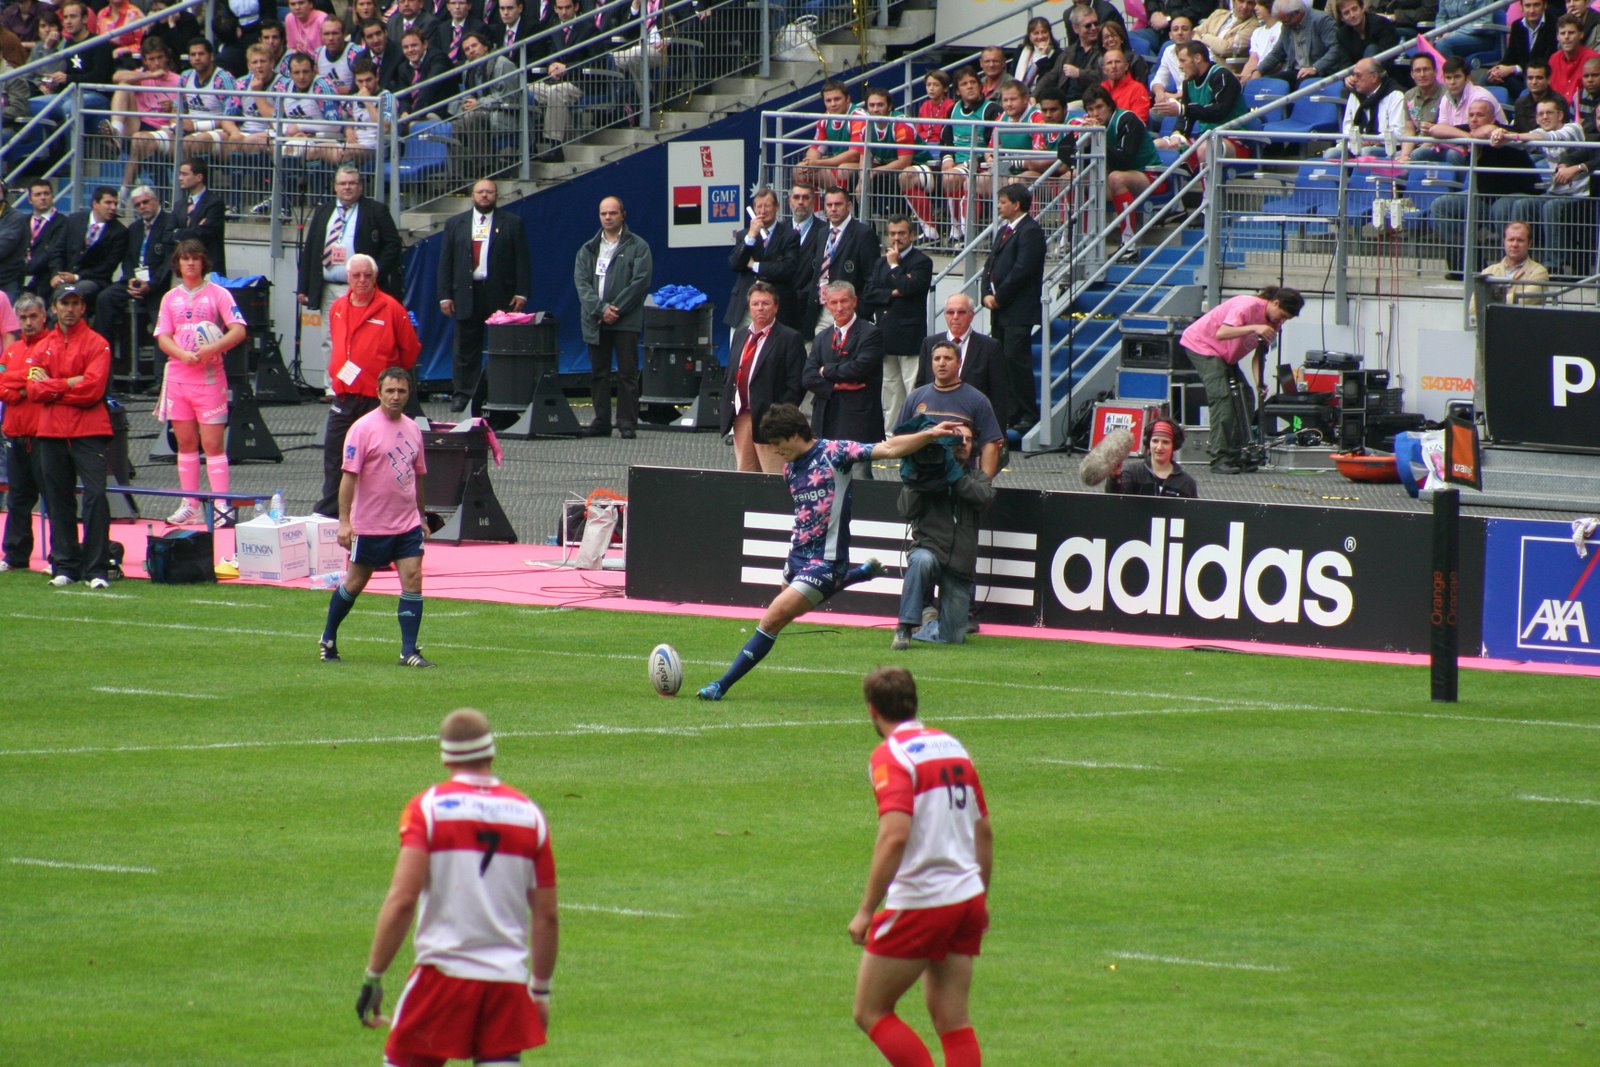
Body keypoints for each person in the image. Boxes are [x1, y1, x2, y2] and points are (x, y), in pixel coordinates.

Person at [694, 404, 962, 702]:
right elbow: (805, 516)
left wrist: (930, 434)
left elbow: (888, 449)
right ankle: (856, 575)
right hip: (796, 557)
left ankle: (720, 685)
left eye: (778, 443)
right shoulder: (789, 469)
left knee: (771, 621)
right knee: (788, 613)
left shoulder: (835, 453)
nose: (775, 450)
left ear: (794, 435)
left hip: (825, 562)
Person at [357, 706, 558, 1066]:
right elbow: (547, 916)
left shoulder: (427, 809)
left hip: (442, 980)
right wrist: (540, 992)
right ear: (491, 752)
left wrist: (374, 975)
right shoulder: (530, 816)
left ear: (445, 757)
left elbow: (403, 901)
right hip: (506, 986)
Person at [849, 665, 991, 1067]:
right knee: (953, 1020)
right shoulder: (952, 746)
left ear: (872, 710)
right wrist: (980, 897)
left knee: (871, 1010)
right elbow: (984, 833)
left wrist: (866, 910)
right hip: (966, 897)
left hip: (924, 900)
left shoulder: (890, 756)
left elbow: (895, 836)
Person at [320, 366, 434, 667]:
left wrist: (421, 516)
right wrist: (345, 522)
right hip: (370, 524)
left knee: (413, 577)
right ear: (379, 393)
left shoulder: (413, 429)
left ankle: (408, 651)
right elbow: (348, 478)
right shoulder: (362, 429)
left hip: (406, 523)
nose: (396, 396)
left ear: (409, 394)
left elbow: (418, 476)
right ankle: (328, 638)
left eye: (401, 391)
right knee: (355, 583)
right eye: (390, 391)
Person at [314, 254, 421, 518]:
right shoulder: (338, 307)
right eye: (356, 275)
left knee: (377, 461)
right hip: (345, 395)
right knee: (335, 456)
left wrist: (389, 382)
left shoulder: (392, 308)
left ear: (375, 278)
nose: (362, 280)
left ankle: (376, 515)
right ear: (347, 277)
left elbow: (409, 352)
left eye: (367, 275)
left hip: (377, 399)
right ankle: (331, 515)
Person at [154, 239, 248, 526]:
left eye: (195, 258)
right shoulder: (170, 297)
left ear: (203, 262)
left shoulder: (218, 294)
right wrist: (182, 354)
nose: (191, 263)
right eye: (185, 259)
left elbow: (238, 329)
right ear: (178, 263)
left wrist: (212, 349)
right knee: (185, 442)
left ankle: (221, 504)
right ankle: (191, 503)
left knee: (213, 443)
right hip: (179, 378)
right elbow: (162, 336)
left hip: (209, 379)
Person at [30, 285, 115, 588]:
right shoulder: (42, 347)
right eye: (64, 303)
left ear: (83, 307)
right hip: (51, 431)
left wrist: (52, 386)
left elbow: (92, 390)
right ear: (54, 308)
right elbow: (33, 390)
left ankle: (96, 570)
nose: (69, 309)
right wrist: (68, 383)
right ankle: (65, 566)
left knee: (96, 496)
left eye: (75, 303)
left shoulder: (97, 344)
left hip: (89, 430)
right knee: (57, 499)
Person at [890, 414, 996, 650]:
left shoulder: (977, 477)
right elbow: (906, 511)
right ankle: (905, 627)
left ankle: (928, 624)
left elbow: (984, 498)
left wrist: (954, 476)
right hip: (930, 549)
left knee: (953, 638)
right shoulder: (925, 473)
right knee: (920, 561)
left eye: (968, 440)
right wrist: (917, 480)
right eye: (957, 439)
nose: (963, 444)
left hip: (960, 565)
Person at [297, 164, 404, 393]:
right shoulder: (323, 211)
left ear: (361, 186)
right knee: (330, 338)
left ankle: (360, 386)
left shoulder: (376, 210)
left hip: (361, 289)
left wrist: (374, 272)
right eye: (343, 183)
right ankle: (333, 387)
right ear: (335, 187)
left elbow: (393, 245)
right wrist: (303, 286)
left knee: (360, 340)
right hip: (328, 287)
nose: (347, 187)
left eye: (352, 183)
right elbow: (310, 249)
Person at [1179, 284, 1303, 474]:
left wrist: (1259, 383)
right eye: (1283, 315)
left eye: (1287, 319)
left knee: (1246, 396)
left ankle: (1238, 453)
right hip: (1202, 345)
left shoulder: (1273, 324)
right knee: (1223, 399)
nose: (1282, 321)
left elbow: (1258, 356)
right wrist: (1255, 327)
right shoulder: (1247, 305)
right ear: (1275, 303)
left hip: (1225, 356)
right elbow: (1222, 333)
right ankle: (1220, 457)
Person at [437, 178, 531, 413]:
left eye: (489, 191)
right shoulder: (455, 224)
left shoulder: (512, 222)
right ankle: (464, 395)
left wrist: (521, 292)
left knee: (502, 345)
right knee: (465, 348)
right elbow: (446, 261)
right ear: (472, 195)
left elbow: (522, 260)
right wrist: (445, 295)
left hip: (500, 292)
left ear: (496, 195)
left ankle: (501, 392)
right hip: (466, 292)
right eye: (480, 191)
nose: (485, 195)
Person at [574, 195, 653, 440]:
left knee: (627, 372)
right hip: (595, 319)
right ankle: (601, 421)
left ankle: (627, 422)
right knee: (599, 373)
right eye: (603, 213)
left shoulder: (638, 246)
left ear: (622, 215)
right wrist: (600, 310)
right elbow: (582, 284)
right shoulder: (588, 248)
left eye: (612, 213)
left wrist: (615, 309)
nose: (608, 217)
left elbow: (640, 282)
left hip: (625, 320)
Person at [1491, 96, 1594, 276]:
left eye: (1549, 113)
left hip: (1579, 195)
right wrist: (1500, 135)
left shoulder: (1573, 129)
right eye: (1541, 114)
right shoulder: (1538, 132)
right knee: (1522, 204)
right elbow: (1519, 143)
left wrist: (1510, 136)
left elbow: (1548, 137)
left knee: (1550, 207)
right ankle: (1523, 262)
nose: (1545, 117)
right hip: (1555, 193)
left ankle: (1553, 266)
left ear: (1560, 115)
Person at [719, 281, 806, 474]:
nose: (760, 308)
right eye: (755, 303)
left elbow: (796, 384)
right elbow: (731, 374)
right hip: (742, 417)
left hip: (771, 419)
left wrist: (781, 417)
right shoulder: (740, 335)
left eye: (766, 303)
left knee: (774, 476)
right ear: (749, 307)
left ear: (776, 307)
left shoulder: (789, 338)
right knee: (745, 475)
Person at [981, 183, 1046, 433]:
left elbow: (1022, 270)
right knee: (1001, 361)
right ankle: (1009, 412)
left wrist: (999, 297)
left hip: (1018, 310)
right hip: (1000, 311)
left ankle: (1027, 413)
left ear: (1016, 205)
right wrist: (986, 293)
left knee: (1016, 360)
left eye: (1003, 202)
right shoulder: (1004, 230)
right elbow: (990, 264)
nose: (998, 206)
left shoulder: (1031, 232)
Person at [863, 215, 933, 435]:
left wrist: (894, 267)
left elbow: (911, 288)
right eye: (892, 233)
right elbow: (869, 293)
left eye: (901, 233)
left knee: (913, 387)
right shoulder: (879, 262)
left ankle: (915, 434)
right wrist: (893, 293)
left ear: (911, 235)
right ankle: (891, 434)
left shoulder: (922, 261)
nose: (896, 238)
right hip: (885, 335)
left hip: (910, 337)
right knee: (890, 389)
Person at [805, 279, 886, 466]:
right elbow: (808, 377)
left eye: (844, 301)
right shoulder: (821, 337)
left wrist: (825, 370)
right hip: (825, 420)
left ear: (854, 301)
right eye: (834, 302)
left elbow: (858, 369)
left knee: (859, 476)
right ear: (827, 305)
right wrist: (834, 386)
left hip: (858, 421)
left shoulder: (871, 333)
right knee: (824, 476)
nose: (839, 308)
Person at [1078, 84, 1162, 254]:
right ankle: (1083, 240)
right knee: (1075, 178)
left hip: (1150, 175)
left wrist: (1099, 137)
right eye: (1090, 109)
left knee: (1116, 178)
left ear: (1110, 105)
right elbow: (1082, 165)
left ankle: (1129, 243)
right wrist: (1085, 142)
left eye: (1099, 107)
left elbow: (1124, 160)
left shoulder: (1127, 119)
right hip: (1116, 176)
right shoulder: (1092, 127)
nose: (1095, 114)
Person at [914, 295, 1008, 445]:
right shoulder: (929, 343)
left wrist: (997, 436)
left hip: (974, 430)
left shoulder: (990, 347)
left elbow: (999, 396)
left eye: (961, 312)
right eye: (950, 312)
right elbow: (921, 386)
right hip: (934, 429)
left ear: (972, 315)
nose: (955, 317)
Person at [98, 186, 175, 369]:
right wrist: (131, 279)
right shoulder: (134, 228)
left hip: (158, 286)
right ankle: (103, 360)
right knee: (105, 298)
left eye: (145, 202)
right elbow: (128, 260)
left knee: (161, 319)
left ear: (156, 201)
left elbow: (169, 262)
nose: (142, 207)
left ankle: (160, 376)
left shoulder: (169, 223)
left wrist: (151, 285)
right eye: (137, 205)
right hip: (134, 282)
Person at [0, 293, 46, 573]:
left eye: (33, 316)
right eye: (24, 317)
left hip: (43, 434)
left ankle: (61, 556)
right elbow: (2, 380)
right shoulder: (11, 350)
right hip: (15, 432)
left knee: (54, 498)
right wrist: (20, 386)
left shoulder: (51, 346)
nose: (28, 322)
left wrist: (14, 385)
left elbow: (42, 385)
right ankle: (15, 555)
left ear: (43, 317)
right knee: (17, 497)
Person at [805, 187, 880, 336]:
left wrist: (860, 311)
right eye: (829, 205)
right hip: (821, 310)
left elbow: (872, 278)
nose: (833, 209)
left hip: (848, 310)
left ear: (849, 206)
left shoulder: (863, 234)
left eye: (838, 204)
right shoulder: (822, 233)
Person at [938, 66, 1001, 247]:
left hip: (981, 163)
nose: (970, 86)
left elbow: (993, 146)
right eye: (964, 84)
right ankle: (954, 231)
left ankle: (968, 235)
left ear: (980, 86)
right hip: (957, 164)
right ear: (958, 91)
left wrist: (965, 163)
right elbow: (946, 141)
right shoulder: (952, 110)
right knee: (943, 175)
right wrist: (948, 159)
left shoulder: (991, 110)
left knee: (953, 177)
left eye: (973, 82)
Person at [724, 186, 798, 339]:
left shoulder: (789, 235)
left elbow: (787, 269)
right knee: (740, 349)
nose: (762, 211)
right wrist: (751, 236)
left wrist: (755, 265)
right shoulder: (744, 235)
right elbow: (734, 264)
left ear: (777, 207)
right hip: (745, 307)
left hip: (776, 306)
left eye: (767, 206)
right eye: (759, 206)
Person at [48, 187, 128, 321]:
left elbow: (108, 267)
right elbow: (58, 250)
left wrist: (76, 277)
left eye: (115, 203)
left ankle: (57, 324)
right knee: (57, 289)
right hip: (65, 275)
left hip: (94, 280)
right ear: (95, 203)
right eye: (108, 203)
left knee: (72, 293)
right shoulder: (74, 220)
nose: (113, 208)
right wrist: (56, 274)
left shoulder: (120, 232)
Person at [530, 0, 592, 162]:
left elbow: (595, 61)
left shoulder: (588, 28)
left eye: (567, 7)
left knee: (556, 92)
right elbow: (548, 57)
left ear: (576, 7)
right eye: (560, 8)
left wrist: (567, 68)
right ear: (555, 9)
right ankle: (529, 144)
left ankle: (555, 146)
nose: (564, 12)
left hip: (581, 83)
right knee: (528, 89)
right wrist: (550, 66)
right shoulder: (554, 30)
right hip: (555, 82)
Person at [901, 70, 954, 244]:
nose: (931, 88)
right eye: (928, 85)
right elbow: (921, 131)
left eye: (936, 85)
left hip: (941, 149)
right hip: (926, 147)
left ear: (945, 88)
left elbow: (945, 133)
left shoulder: (950, 106)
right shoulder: (924, 106)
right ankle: (929, 229)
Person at [1328, 57, 1404, 158]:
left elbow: (1398, 132)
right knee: (1331, 154)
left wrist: (1371, 140)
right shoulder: (1355, 94)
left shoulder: (1395, 94)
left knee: (1366, 152)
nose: (1354, 79)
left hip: (1386, 147)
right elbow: (1347, 126)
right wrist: (1356, 141)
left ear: (1374, 77)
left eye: (1358, 75)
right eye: (1354, 75)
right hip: (1357, 144)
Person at [794, 80, 862, 192]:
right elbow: (815, 148)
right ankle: (813, 204)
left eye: (837, 99)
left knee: (843, 170)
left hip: (862, 164)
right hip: (838, 164)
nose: (833, 104)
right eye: (828, 100)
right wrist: (810, 163)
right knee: (800, 169)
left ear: (848, 99)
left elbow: (854, 155)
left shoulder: (858, 116)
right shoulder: (826, 117)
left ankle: (843, 201)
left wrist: (818, 163)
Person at [1104, 417, 1199, 496]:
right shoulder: (1132, 473)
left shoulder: (1187, 483)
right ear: (1148, 443)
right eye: (1155, 441)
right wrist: (1114, 477)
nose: (1159, 447)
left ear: (1174, 446)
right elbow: (1114, 501)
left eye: (1165, 442)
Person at [1254, 0, 1338, 87]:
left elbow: (1336, 49)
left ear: (1297, 13)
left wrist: (1315, 67)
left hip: (1320, 71)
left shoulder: (1321, 20)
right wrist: (1259, 70)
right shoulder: (1286, 26)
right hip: (1296, 71)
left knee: (1302, 84)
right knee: (1269, 83)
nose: (1285, 24)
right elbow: (1277, 53)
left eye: (1286, 21)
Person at [1488, 0, 1557, 98]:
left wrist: (1514, 69)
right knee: (1489, 78)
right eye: (1527, 6)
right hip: (1521, 76)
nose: (1532, 10)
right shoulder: (1517, 26)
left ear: (1545, 5)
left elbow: (1545, 63)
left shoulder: (1554, 25)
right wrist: (1497, 70)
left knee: (1523, 89)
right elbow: (1510, 57)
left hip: (1539, 77)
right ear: (1521, 7)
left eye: (1536, 5)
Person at [172, 157, 228, 276]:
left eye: (185, 174)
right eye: (180, 174)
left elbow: (204, 233)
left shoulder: (214, 203)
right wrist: (195, 228)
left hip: (208, 269)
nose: (180, 178)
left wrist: (178, 232)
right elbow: (168, 233)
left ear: (199, 177)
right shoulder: (179, 205)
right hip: (184, 270)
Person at [780, 181, 823, 332]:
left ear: (814, 201)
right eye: (796, 197)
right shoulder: (779, 230)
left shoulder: (824, 231)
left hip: (810, 309)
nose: (800, 202)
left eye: (805, 197)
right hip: (782, 308)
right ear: (789, 201)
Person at [1477, 219, 1551, 305]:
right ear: (1504, 242)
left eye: (1520, 240)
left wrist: (1490, 302)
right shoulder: (1488, 271)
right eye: (1511, 240)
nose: (1514, 244)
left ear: (1529, 243)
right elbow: (1474, 306)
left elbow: (1524, 300)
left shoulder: (1539, 272)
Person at [1393, 53, 1445, 163]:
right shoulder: (1409, 95)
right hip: (1416, 145)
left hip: (1438, 144)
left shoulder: (1446, 94)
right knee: (1394, 157)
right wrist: (1405, 155)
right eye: (1417, 71)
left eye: (1426, 69)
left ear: (1435, 71)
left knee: (1417, 155)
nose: (1422, 74)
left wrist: (1411, 156)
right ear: (1412, 74)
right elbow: (1409, 130)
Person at [22, 180, 67, 300]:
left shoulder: (63, 223)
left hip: (45, 279)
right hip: (18, 276)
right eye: (38, 194)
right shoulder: (22, 221)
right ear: (30, 199)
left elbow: (52, 253)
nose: (43, 198)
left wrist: (24, 269)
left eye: (46, 193)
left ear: (52, 196)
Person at [1548, 14, 1600, 98]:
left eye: (1571, 33)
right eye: (1562, 33)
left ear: (1581, 35)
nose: (1566, 37)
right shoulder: (1553, 59)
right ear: (1557, 37)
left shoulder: (1592, 58)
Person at [1196, 0, 1259, 67]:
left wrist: (1204, 36)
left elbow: (1225, 48)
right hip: (1199, 61)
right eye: (1241, 1)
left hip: (1221, 67)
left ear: (1254, 5)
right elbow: (1194, 33)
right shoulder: (1218, 14)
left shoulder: (1253, 25)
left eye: (1250, 3)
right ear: (1233, 1)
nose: (1245, 6)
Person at [1150, 14, 1197, 101]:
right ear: (1170, 35)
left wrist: (1174, 96)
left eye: (1184, 29)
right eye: (1175, 29)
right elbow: (1159, 79)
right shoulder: (1168, 51)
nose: (1180, 33)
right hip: (1177, 100)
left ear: (1192, 34)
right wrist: (1160, 94)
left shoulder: (1201, 52)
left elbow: (1201, 88)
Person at [1512, 61, 1568, 133]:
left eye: (1539, 78)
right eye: (1530, 78)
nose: (1534, 82)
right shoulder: (1520, 103)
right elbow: (1517, 130)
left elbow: (1563, 131)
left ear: (1548, 80)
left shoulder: (1559, 102)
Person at [1237, 0, 1281, 83]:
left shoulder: (1281, 29)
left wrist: (1256, 75)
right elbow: (1253, 60)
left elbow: (1279, 62)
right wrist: (1242, 79)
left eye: (1260, 5)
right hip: (1256, 76)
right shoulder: (1257, 32)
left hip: (1273, 77)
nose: (1255, 8)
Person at [1014, 15, 1059, 93]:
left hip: (1042, 94)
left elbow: (1048, 81)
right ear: (1030, 36)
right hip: (1019, 94)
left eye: (1044, 32)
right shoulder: (1020, 51)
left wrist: (1044, 56)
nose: (1040, 36)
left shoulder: (1057, 54)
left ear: (1050, 34)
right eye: (1036, 33)